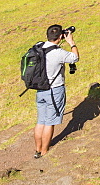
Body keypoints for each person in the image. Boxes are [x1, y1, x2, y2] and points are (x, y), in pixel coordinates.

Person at [33, 24, 79, 158]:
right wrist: (71, 42)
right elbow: (75, 58)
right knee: (50, 122)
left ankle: (37, 150)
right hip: (54, 90)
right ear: (60, 37)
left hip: (40, 90)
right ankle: (45, 151)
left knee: (40, 121)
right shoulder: (58, 53)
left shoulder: (39, 47)